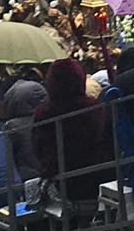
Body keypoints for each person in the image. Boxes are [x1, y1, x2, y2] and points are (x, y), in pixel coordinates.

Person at [32, 59, 109, 222]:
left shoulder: (44, 113)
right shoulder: (94, 108)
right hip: (98, 175)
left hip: (62, 180)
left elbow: (38, 148)